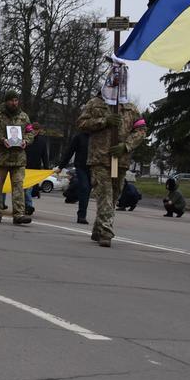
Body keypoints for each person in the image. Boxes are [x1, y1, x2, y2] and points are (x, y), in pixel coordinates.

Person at [76, 60, 146, 247]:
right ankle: (106, 232)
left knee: (114, 196)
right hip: (100, 158)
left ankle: (99, 228)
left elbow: (141, 130)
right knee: (105, 194)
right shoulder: (95, 103)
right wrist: (104, 121)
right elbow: (82, 124)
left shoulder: (130, 108)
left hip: (120, 159)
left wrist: (126, 146)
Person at [0, 92, 34, 224]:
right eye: (12, 100)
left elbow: (30, 132)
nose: (14, 103)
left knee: (18, 187)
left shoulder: (24, 117)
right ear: (6, 101)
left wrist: (26, 141)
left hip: (18, 159)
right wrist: (1, 140)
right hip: (0, 158)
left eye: (16, 100)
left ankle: (19, 215)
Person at [54, 132, 91, 224]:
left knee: (88, 190)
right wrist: (61, 166)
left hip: (94, 167)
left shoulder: (98, 136)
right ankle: (82, 216)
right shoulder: (79, 136)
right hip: (81, 167)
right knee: (84, 188)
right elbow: (69, 152)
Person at [24, 122, 48, 214]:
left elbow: (44, 155)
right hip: (24, 167)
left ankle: (28, 206)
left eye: (37, 130)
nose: (35, 132)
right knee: (23, 189)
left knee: (27, 190)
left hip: (34, 169)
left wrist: (46, 168)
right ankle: (25, 206)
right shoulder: (26, 139)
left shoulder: (42, 141)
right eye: (33, 130)